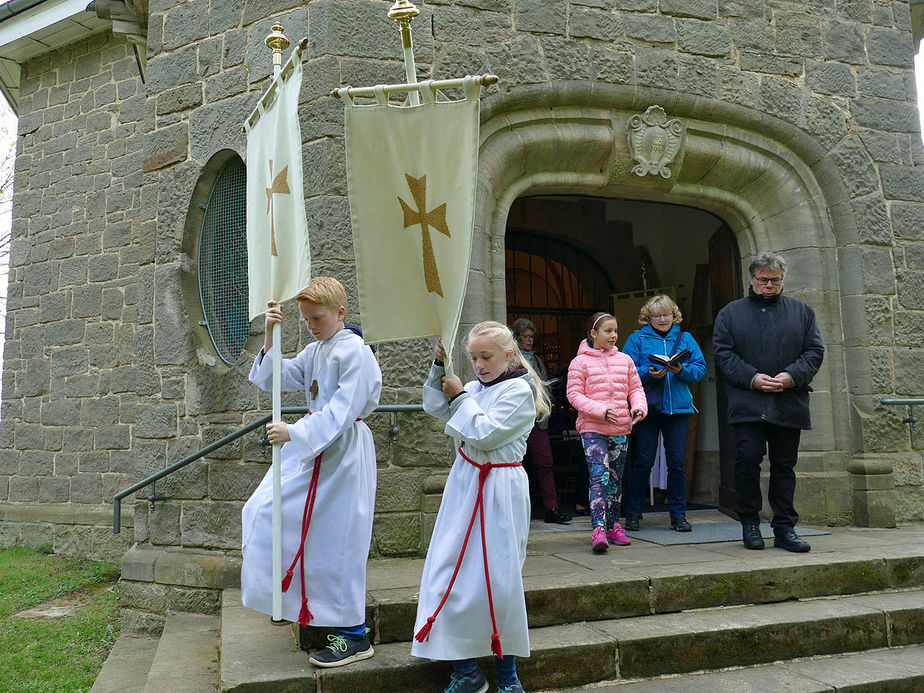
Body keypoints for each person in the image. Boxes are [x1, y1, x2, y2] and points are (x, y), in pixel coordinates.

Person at [241, 277, 382, 667]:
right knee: (265, 512)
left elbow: (342, 411)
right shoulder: (317, 349)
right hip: (313, 449)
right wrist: (271, 334)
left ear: (341, 312)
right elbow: (276, 379)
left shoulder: (354, 352)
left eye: (317, 318)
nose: (311, 326)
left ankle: (354, 635)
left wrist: (294, 432)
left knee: (341, 540)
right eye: (305, 320)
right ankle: (290, 599)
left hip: (343, 453)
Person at [412, 322, 551, 693]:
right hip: (465, 485)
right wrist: (441, 367)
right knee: (450, 575)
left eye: (486, 356)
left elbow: (485, 434)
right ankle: (467, 671)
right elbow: (434, 405)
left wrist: (459, 397)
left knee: (495, 581)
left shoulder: (519, 391)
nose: (478, 365)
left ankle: (507, 678)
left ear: (509, 354)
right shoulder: (473, 387)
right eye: (472, 357)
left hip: (500, 491)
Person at [713, 252, 824, 553]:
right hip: (747, 401)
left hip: (789, 400)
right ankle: (749, 523)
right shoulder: (730, 313)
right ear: (751, 279)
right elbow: (723, 354)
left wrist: (790, 376)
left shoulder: (802, 312)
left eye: (775, 281)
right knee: (747, 460)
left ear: (782, 280)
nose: (769, 286)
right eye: (763, 280)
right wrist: (753, 378)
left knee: (784, 466)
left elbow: (814, 353)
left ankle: (785, 528)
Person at [622, 295, 707, 532]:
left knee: (677, 463)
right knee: (644, 460)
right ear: (648, 317)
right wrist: (649, 372)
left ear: (674, 315)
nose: (662, 319)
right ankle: (634, 512)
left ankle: (678, 514)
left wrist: (680, 369)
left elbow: (700, 370)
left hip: (678, 408)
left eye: (666, 314)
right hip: (648, 407)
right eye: (657, 315)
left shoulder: (686, 338)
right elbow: (625, 372)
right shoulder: (636, 339)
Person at [566, 312, 647, 553]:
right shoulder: (579, 363)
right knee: (599, 476)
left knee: (615, 479)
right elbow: (574, 395)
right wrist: (601, 411)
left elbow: (636, 389)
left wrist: (640, 408)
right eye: (607, 331)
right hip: (593, 428)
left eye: (615, 331)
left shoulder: (626, 360)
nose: (613, 336)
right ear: (593, 333)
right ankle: (598, 527)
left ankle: (613, 525)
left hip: (621, 427)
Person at [510, 318, 571, 525]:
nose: (529, 340)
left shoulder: (537, 360)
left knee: (545, 463)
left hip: (537, 419)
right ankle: (517, 511)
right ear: (516, 338)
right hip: (517, 420)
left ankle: (551, 508)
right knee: (514, 465)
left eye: (532, 337)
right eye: (526, 336)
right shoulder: (509, 359)